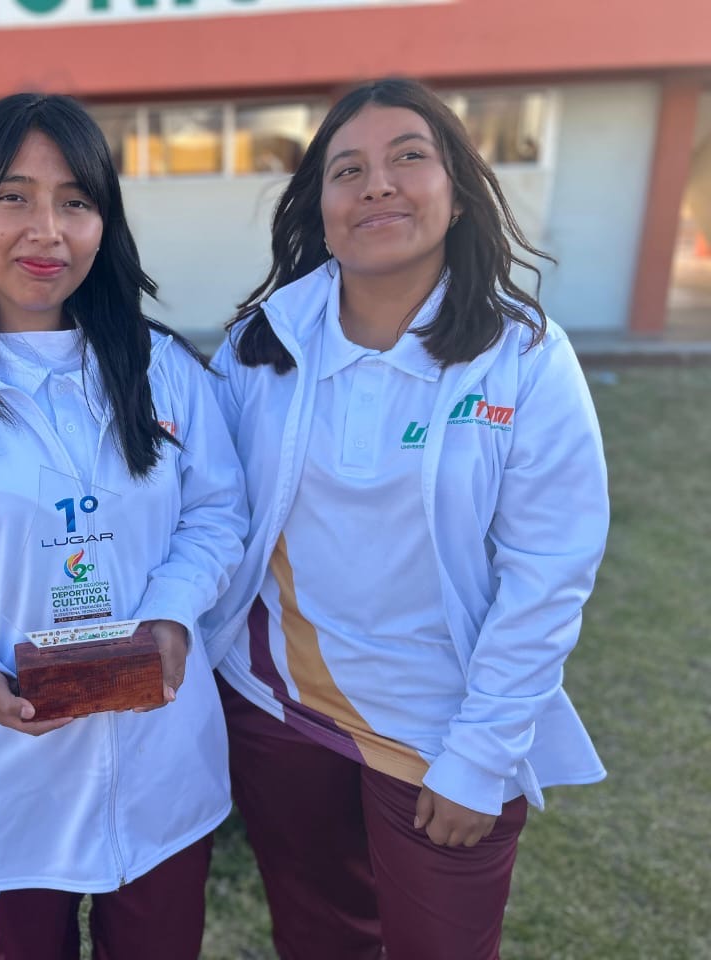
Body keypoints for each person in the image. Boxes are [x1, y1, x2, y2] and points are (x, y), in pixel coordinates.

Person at [202, 77, 609, 960]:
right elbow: (209, 515)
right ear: (320, 208)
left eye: (408, 158)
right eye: (347, 170)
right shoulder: (260, 345)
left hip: (444, 732)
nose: (377, 184)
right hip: (281, 708)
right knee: (317, 939)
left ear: (457, 193)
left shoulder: (524, 357)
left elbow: (549, 573)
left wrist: (482, 755)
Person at [0, 93, 247, 960]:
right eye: (13, 198)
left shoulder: (163, 370)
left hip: (159, 752)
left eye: (76, 201)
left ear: (106, 222)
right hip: (6, 763)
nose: (47, 231)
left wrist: (172, 612)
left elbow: (217, 513)